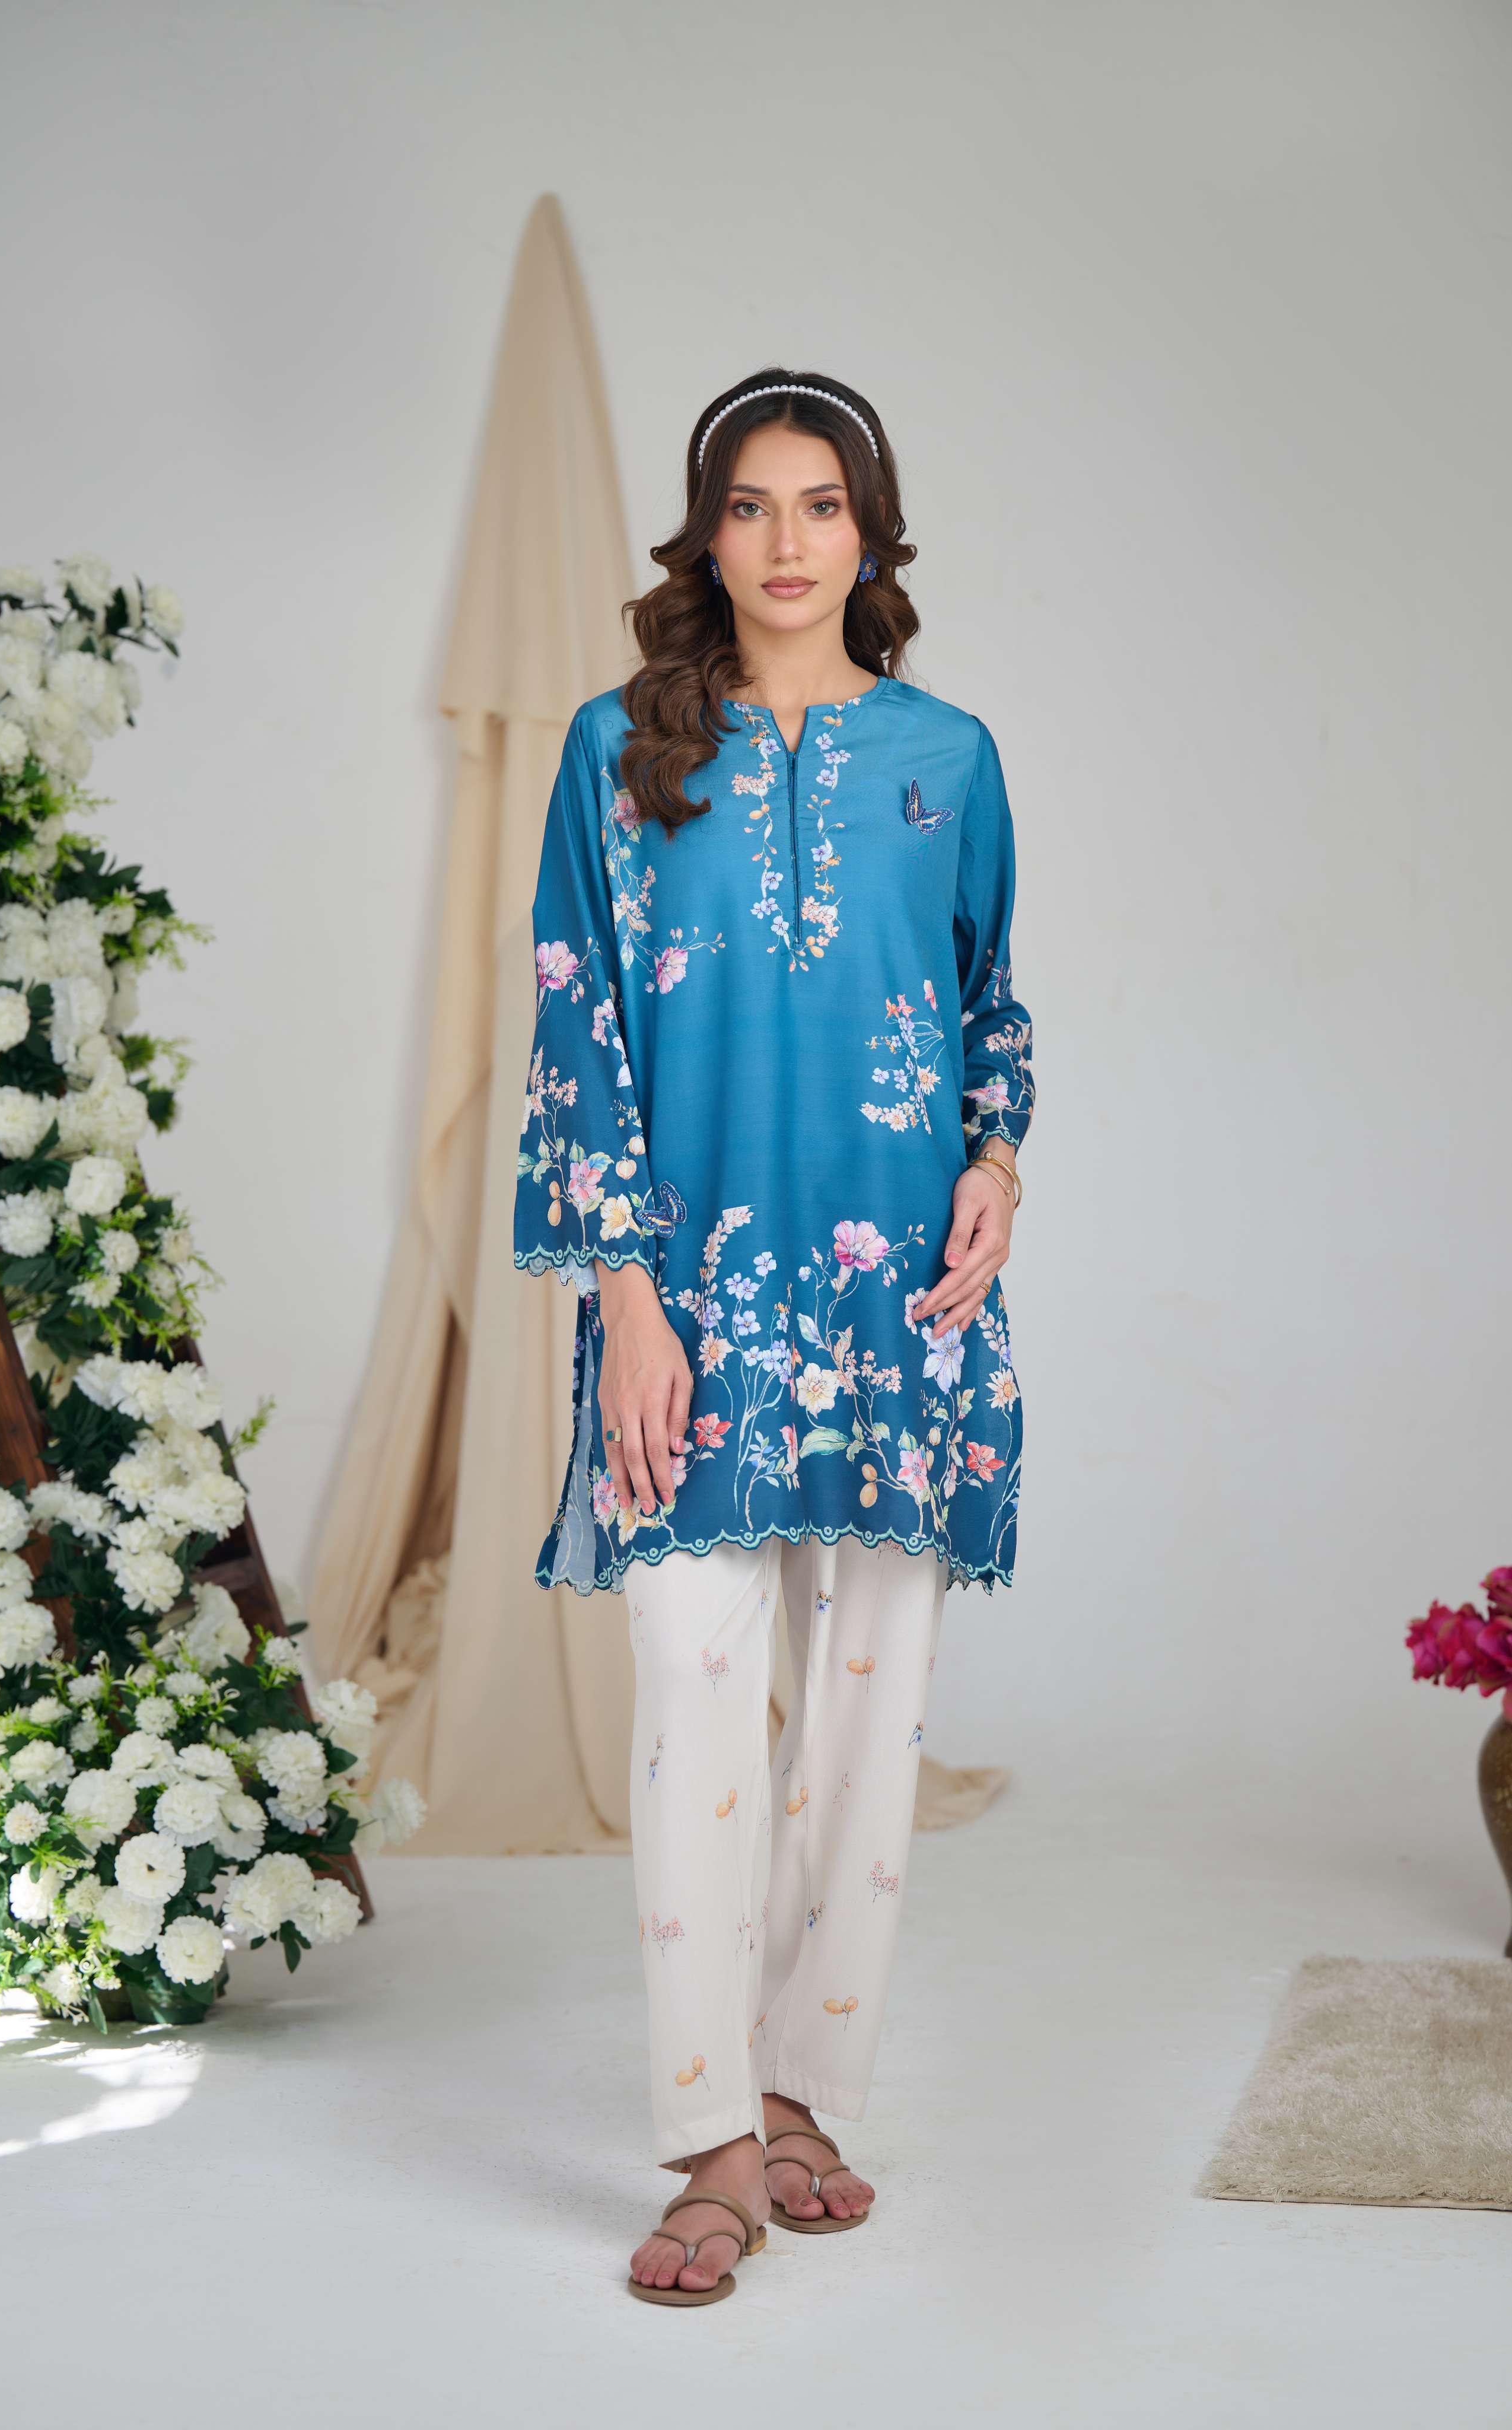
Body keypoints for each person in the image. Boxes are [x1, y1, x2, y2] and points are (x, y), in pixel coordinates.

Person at [513, 370, 1035, 2307]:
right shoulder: (616, 749)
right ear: (705, 534)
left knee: (869, 1721)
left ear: (870, 534)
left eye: (821, 505)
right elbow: (576, 1024)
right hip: (691, 1298)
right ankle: (708, 2137)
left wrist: (998, 1164)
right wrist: (624, 1297)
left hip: (903, 1303)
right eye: (750, 506)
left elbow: (989, 1004)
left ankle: (806, 2091)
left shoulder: (948, 757)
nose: (788, 540)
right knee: (694, 1696)